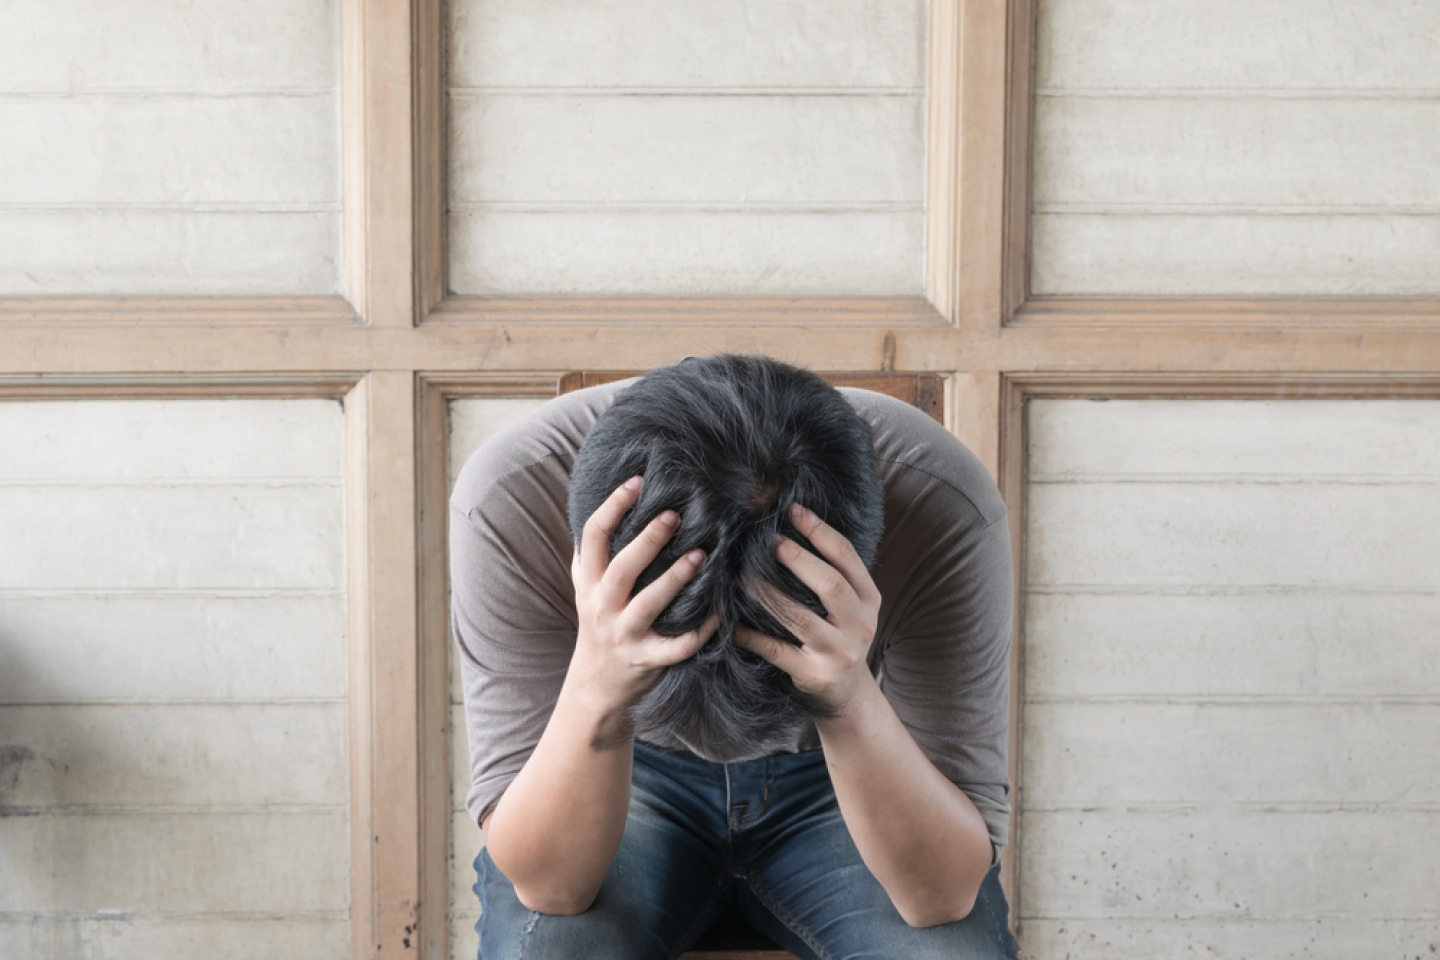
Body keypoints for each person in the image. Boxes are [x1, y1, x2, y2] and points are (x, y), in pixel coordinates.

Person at [450, 355, 1018, 959]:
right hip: (623, 761)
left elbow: (942, 897)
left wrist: (847, 693)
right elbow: (551, 889)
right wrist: (597, 687)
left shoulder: (939, 499)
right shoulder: (510, 496)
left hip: (850, 758)